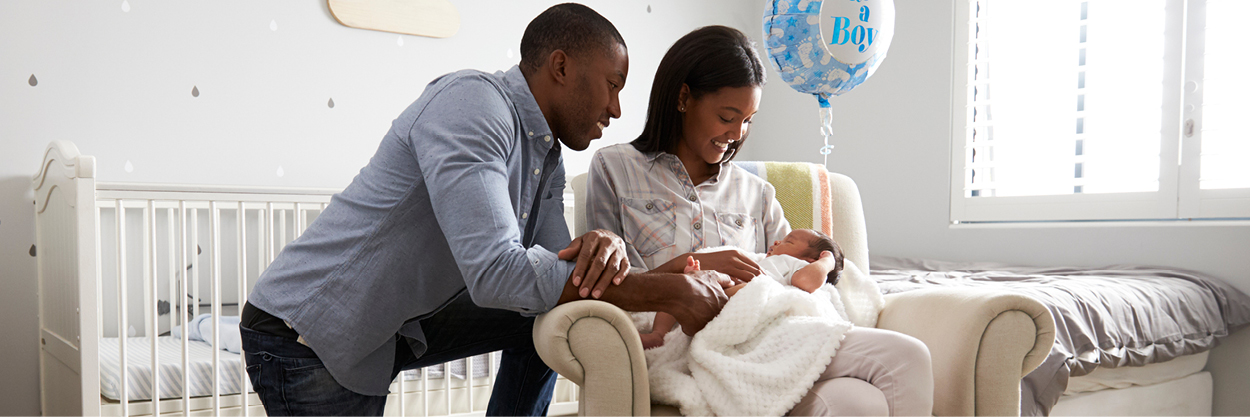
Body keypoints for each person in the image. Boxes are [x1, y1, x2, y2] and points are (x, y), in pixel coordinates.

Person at [239, 4, 730, 416]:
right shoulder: (473, 105)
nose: (617, 109)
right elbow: (497, 272)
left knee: (552, 309)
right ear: (561, 67)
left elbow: (562, 273)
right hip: (307, 334)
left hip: (385, 333)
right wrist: (667, 290)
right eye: (612, 84)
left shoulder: (545, 154)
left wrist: (612, 248)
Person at [585, 25, 934, 416]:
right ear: (684, 97)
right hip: (678, 345)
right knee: (906, 357)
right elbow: (613, 286)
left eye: (748, 120)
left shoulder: (757, 193)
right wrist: (696, 268)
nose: (737, 134)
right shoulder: (615, 169)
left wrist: (828, 261)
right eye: (727, 117)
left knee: (860, 403)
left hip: (760, 343)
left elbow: (794, 280)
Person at [640, 228, 845, 349]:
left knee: (743, 288)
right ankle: (659, 334)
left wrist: (827, 263)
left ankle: (698, 287)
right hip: (727, 286)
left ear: (810, 260)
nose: (777, 241)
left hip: (747, 296)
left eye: (788, 241)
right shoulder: (760, 261)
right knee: (678, 289)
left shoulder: (795, 265)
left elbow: (807, 282)